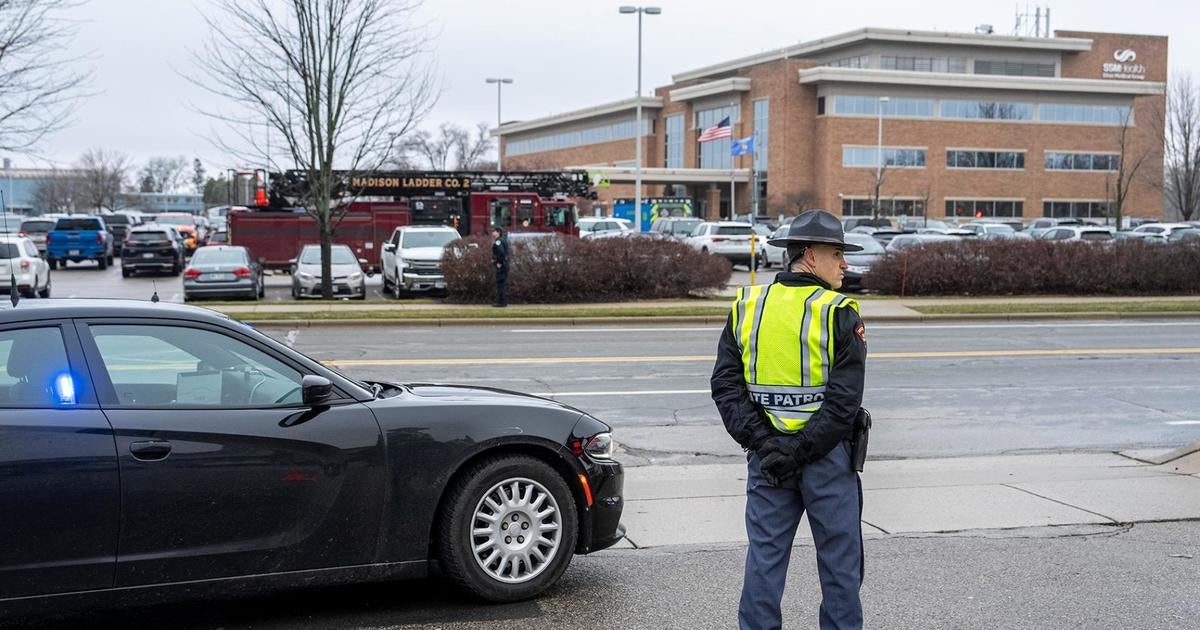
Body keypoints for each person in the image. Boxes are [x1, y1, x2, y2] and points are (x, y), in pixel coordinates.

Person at [711, 209, 869, 630]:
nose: (844, 263)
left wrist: (766, 445)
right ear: (810, 256)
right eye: (837, 253)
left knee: (764, 562)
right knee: (840, 568)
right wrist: (799, 450)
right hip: (826, 463)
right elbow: (843, 403)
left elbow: (726, 387)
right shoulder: (838, 311)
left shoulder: (748, 305)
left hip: (768, 464)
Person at [491, 226, 508, 307]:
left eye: (494, 231)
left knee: (500, 283)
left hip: (501, 265)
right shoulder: (503, 240)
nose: (492, 233)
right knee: (502, 283)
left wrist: (499, 262)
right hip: (505, 264)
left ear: (498, 232)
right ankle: (502, 301)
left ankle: (500, 302)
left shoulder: (498, 241)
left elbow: (501, 253)